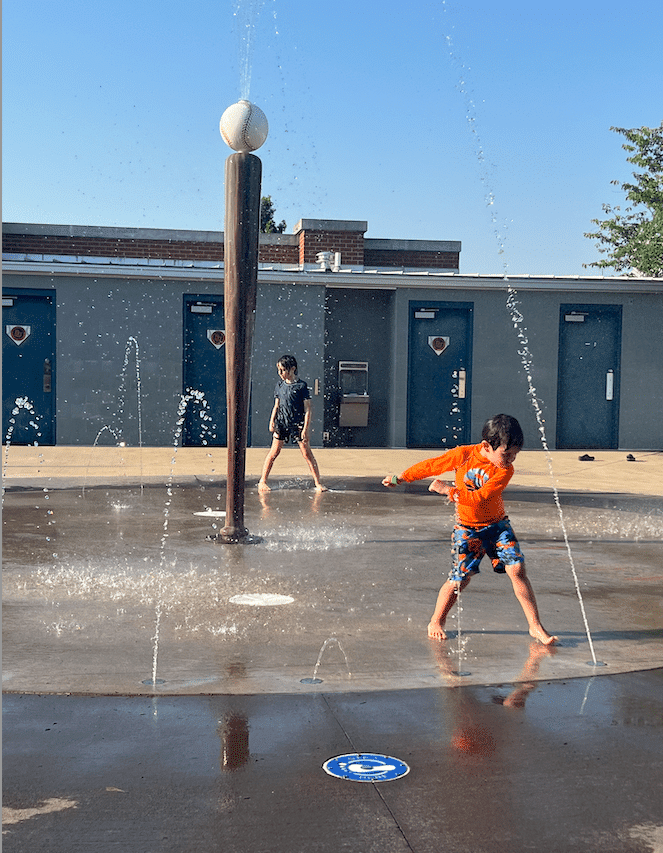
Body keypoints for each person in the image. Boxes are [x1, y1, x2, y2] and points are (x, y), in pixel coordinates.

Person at [382, 414, 557, 646]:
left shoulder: (505, 470)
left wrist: (448, 491)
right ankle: (436, 621)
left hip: (497, 526)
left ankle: (535, 626)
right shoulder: (464, 455)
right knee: (460, 579)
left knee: (517, 569)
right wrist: (401, 477)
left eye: (515, 455)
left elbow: (479, 497)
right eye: (506, 454)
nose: (511, 459)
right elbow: (433, 465)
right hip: (468, 529)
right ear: (486, 446)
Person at [258, 354, 327, 493]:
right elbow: (276, 405)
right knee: (274, 452)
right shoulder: (279, 385)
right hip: (281, 422)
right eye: (279, 370)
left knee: (306, 454)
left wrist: (306, 429)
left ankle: (318, 483)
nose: (280, 373)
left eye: (283, 370)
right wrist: (272, 421)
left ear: (292, 369)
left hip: (297, 424)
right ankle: (262, 481)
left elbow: (308, 409)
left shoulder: (301, 386)